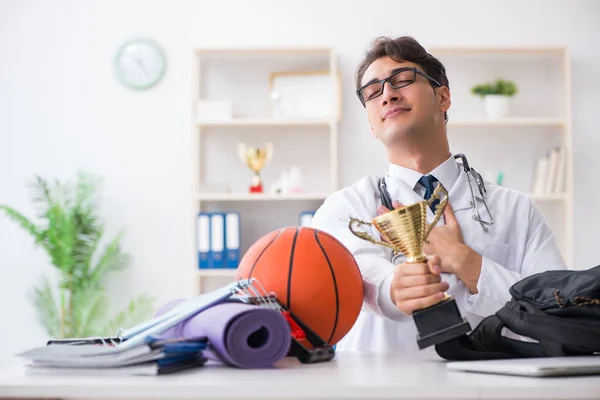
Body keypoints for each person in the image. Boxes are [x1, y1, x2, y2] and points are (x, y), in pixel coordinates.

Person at [310, 36, 568, 353]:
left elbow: (562, 315)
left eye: (402, 80)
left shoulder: (516, 210)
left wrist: (468, 263)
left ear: (443, 97)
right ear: (372, 125)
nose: (388, 94)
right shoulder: (345, 208)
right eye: (372, 92)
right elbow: (354, 272)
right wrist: (394, 288)